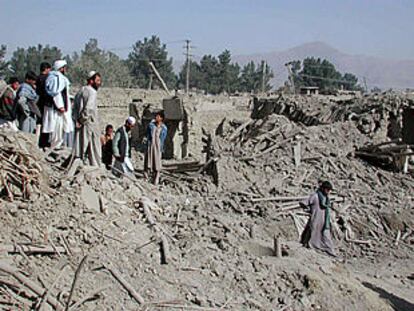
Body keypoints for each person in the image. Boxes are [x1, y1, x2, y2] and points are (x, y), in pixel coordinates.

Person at [72, 71, 102, 166]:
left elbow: (75, 107)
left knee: (80, 145)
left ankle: (78, 163)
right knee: (94, 148)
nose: (99, 83)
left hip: (81, 122)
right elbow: (88, 108)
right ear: (91, 80)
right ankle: (96, 168)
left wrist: (77, 119)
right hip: (90, 123)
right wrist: (82, 119)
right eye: (97, 80)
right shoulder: (92, 92)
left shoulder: (81, 90)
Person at [43, 59, 74, 149]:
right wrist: (60, 106)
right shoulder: (56, 78)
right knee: (56, 128)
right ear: (61, 68)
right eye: (64, 68)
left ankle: (58, 145)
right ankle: (54, 146)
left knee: (62, 128)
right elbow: (56, 93)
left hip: (61, 108)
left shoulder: (59, 77)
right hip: (56, 110)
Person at [300, 181, 336, 257]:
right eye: (327, 190)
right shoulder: (315, 196)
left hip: (324, 222)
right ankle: (312, 248)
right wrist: (308, 209)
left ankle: (331, 252)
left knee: (326, 237)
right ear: (323, 189)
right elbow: (303, 202)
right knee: (314, 235)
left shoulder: (326, 199)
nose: (328, 192)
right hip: (316, 220)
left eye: (329, 190)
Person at [144, 110, 167, 185]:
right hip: (151, 144)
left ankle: (156, 177)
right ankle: (146, 176)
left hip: (157, 146)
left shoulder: (164, 128)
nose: (156, 117)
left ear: (161, 118)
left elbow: (163, 138)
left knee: (157, 161)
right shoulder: (151, 125)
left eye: (158, 116)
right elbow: (147, 134)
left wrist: (161, 147)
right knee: (148, 160)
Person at [36, 62, 52, 147]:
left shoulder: (38, 78)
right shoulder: (48, 78)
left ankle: (38, 140)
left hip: (39, 103)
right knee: (46, 123)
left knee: (39, 122)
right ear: (47, 69)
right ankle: (44, 142)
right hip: (46, 103)